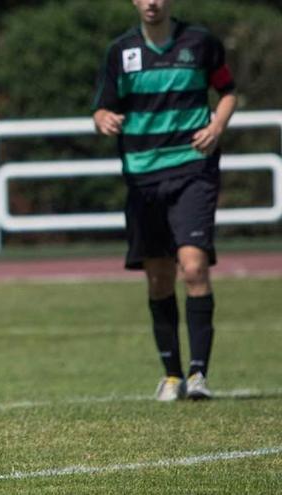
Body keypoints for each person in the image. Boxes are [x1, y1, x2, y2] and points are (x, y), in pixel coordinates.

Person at [92, 0, 236, 402]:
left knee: (193, 267)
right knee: (158, 276)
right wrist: (102, 118)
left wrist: (217, 125)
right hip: (142, 178)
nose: (152, 2)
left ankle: (199, 375)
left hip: (193, 168)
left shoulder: (200, 42)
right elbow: (103, 107)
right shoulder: (121, 51)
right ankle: (171, 374)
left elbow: (227, 91)